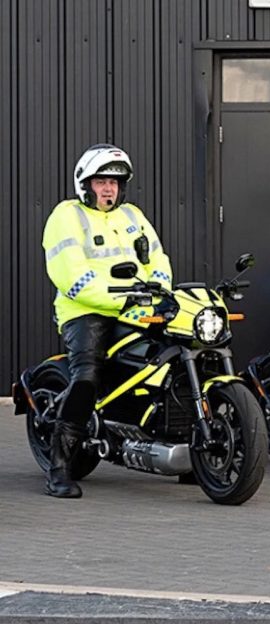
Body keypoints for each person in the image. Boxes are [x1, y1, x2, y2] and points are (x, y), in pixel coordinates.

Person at [41, 144, 173, 497]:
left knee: (168, 357)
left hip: (134, 306)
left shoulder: (132, 215)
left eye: (115, 181)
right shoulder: (66, 216)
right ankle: (59, 467)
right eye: (101, 181)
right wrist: (119, 298)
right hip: (85, 309)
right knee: (88, 375)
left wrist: (159, 288)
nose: (109, 188)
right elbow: (72, 275)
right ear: (84, 183)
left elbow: (157, 257)